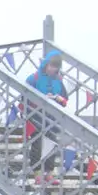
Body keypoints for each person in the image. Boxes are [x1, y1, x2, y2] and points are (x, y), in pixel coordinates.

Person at [24, 49, 69, 185]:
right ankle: (37, 172)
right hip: (36, 116)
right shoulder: (33, 78)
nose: (52, 69)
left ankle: (49, 172)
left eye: (55, 67)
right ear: (45, 64)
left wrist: (58, 99)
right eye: (51, 66)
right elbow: (24, 98)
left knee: (52, 144)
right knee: (37, 144)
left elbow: (65, 99)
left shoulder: (59, 81)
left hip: (52, 117)